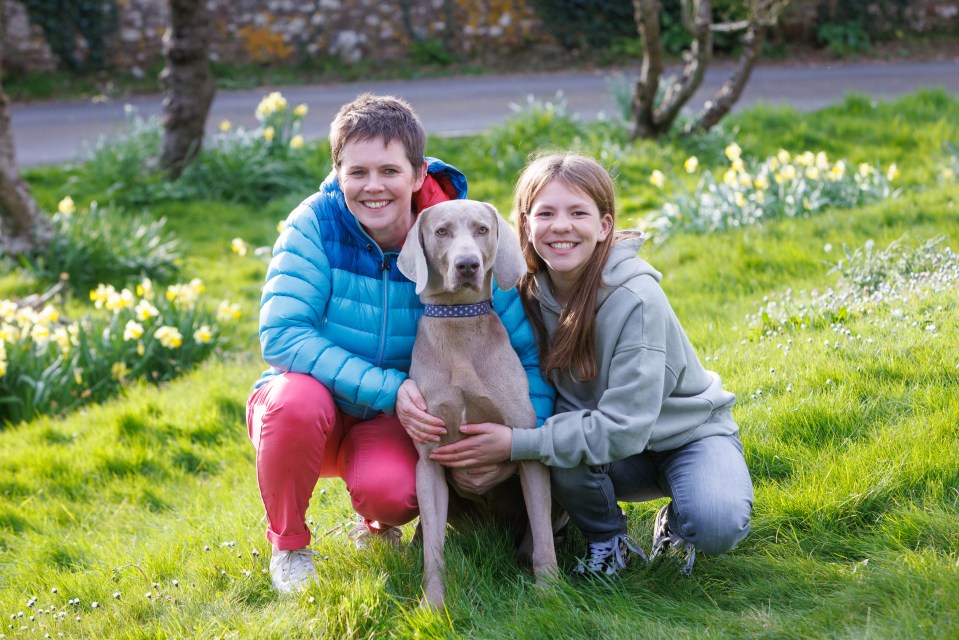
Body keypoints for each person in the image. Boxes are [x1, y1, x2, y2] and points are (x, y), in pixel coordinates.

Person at [246, 93, 554, 594]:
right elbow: (281, 335)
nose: (373, 187)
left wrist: (520, 440)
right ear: (338, 173)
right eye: (357, 172)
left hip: (394, 421)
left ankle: (379, 527)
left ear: (417, 174)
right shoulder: (315, 225)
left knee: (395, 487)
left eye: (389, 171)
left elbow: (524, 352)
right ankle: (290, 547)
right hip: (318, 413)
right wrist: (390, 388)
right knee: (293, 402)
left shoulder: (454, 235)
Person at [425, 152, 753, 577]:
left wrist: (515, 445)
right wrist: (409, 390)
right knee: (562, 444)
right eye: (546, 213)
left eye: (578, 212)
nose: (561, 226)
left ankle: (677, 525)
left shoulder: (636, 298)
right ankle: (607, 539)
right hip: (604, 450)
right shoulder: (519, 291)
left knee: (716, 524)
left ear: (605, 226)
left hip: (684, 437)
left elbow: (625, 425)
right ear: (525, 225)